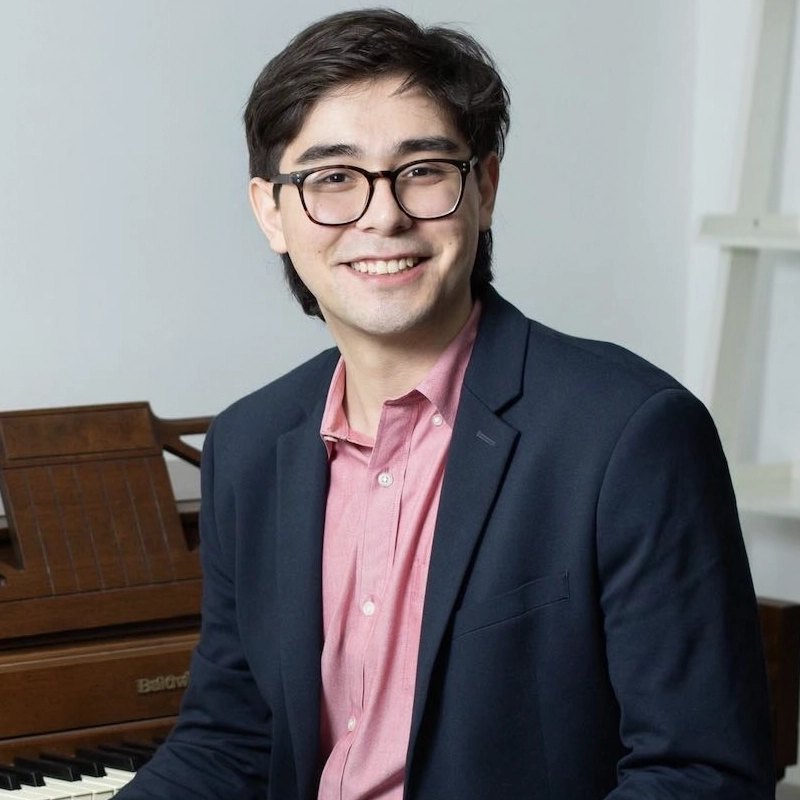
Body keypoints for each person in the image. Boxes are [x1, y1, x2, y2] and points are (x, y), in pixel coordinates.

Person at [118, 8, 775, 799]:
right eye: (332, 178)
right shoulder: (249, 445)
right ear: (271, 213)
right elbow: (228, 743)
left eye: (422, 170)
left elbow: (702, 775)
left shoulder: (628, 435)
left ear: (484, 188)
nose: (382, 215)